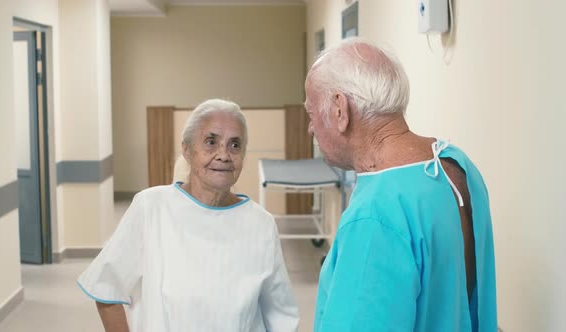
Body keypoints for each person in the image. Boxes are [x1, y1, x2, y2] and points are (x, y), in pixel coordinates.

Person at [305, 39, 497, 331]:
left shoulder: (374, 215)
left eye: (311, 114)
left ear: (339, 110)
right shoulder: (456, 164)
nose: (311, 129)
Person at [77, 99, 299, 332]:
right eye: (211, 142)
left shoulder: (261, 224)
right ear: (186, 150)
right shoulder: (151, 207)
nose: (223, 155)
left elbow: (281, 317)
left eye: (234, 145)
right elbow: (106, 287)